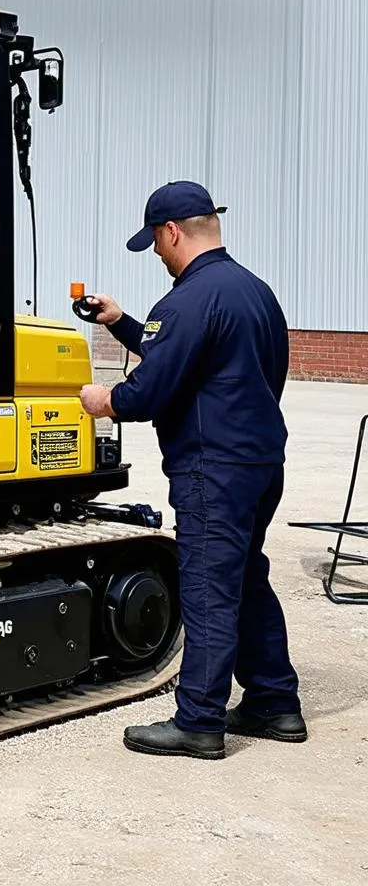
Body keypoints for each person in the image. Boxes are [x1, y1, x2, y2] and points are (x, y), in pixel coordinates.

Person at [78, 180, 305, 760]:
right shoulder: (256, 293)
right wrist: (122, 322)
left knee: (206, 585)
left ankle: (200, 719)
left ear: (173, 232)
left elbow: (152, 387)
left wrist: (106, 400)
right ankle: (274, 703)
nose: (156, 253)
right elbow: (201, 355)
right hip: (259, 462)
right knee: (246, 574)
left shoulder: (185, 300)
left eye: (155, 240)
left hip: (213, 470)